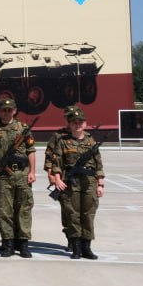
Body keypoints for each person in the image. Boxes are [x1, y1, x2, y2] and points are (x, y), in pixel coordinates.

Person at [45, 105, 104, 260]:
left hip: (88, 182)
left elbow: (98, 164)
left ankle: (87, 248)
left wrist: (100, 184)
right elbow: (54, 160)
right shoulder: (61, 139)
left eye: (80, 121)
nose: (77, 124)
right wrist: (54, 177)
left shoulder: (91, 140)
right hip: (70, 182)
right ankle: (75, 247)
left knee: (88, 214)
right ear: (69, 123)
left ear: (84, 123)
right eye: (74, 121)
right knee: (72, 214)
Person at [0, 97, 36, 257]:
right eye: (3, 110)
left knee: (24, 209)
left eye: (9, 110)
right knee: (4, 210)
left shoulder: (23, 128)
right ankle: (8, 243)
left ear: (15, 111)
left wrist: (32, 172)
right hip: (2, 175)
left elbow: (31, 151)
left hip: (22, 174)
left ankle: (23, 243)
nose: (6, 113)